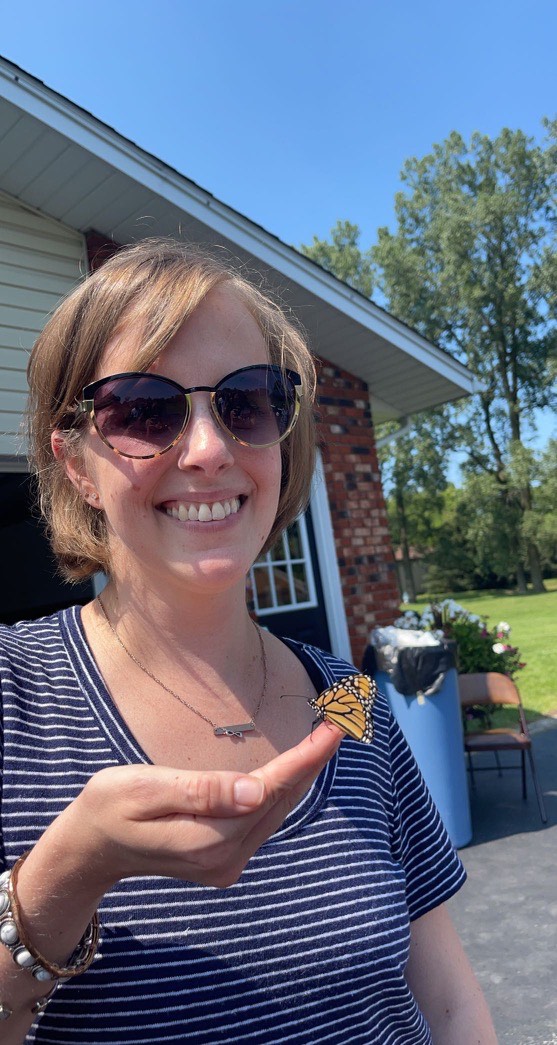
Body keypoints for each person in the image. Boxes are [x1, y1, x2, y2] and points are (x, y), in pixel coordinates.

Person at [0, 238, 497, 1044]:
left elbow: (447, 999)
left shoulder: (349, 699)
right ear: (77, 464)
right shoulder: (10, 698)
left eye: (246, 401)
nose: (207, 449)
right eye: (143, 409)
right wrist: (69, 871)